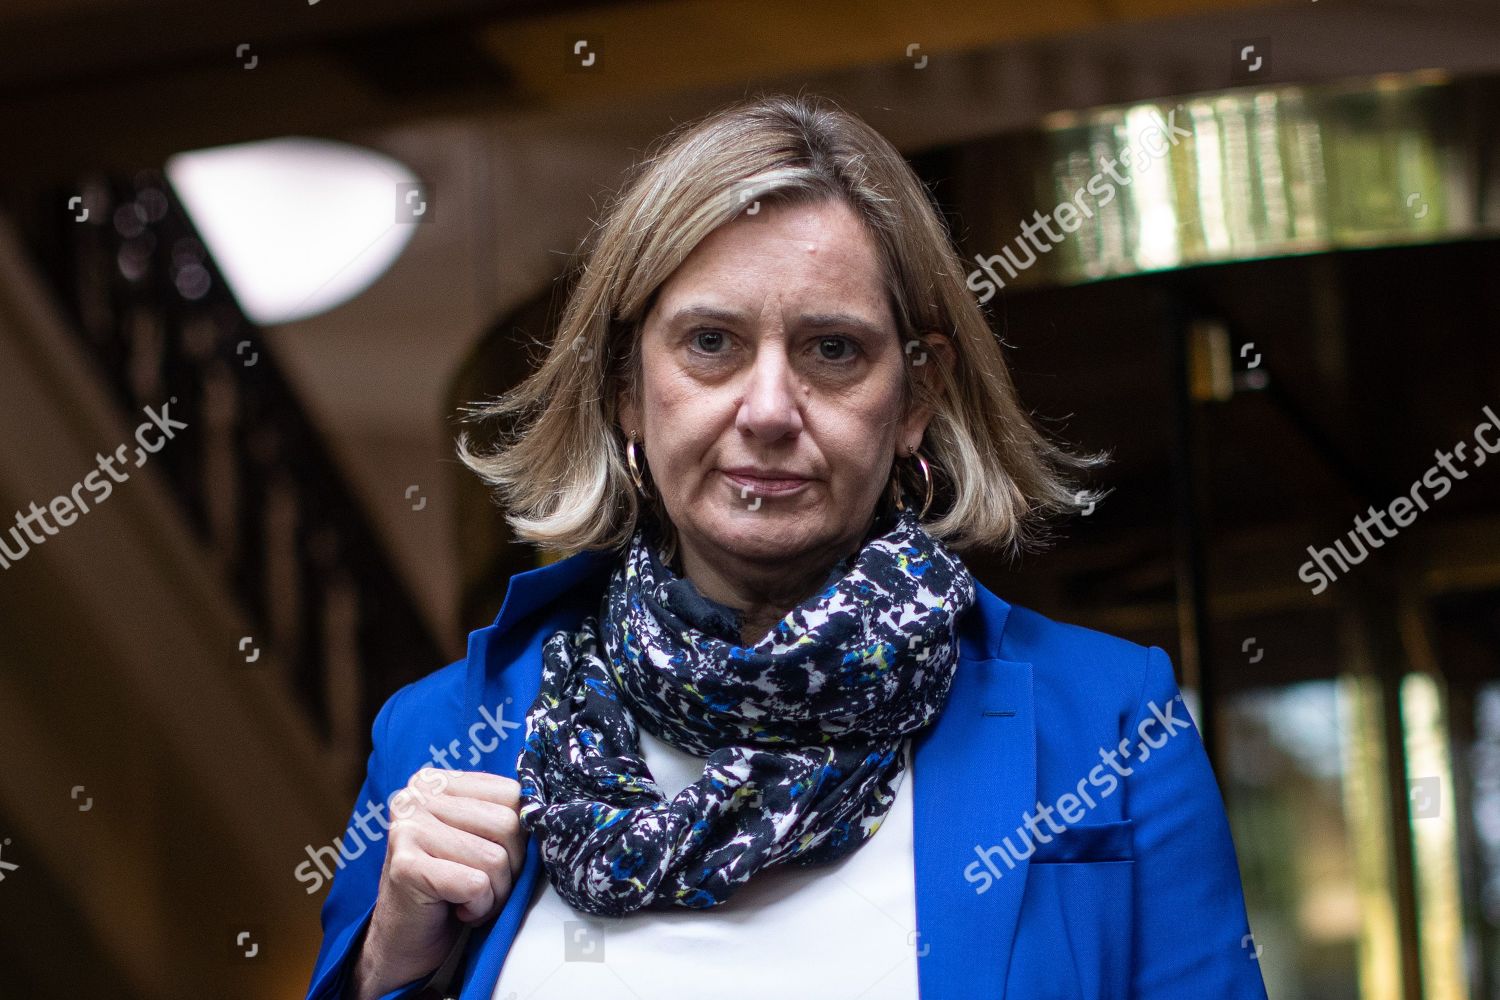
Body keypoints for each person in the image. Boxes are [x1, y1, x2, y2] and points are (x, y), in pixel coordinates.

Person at [305, 93, 1268, 1000]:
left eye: (833, 350)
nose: (768, 411)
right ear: (627, 391)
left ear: (916, 400)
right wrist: (390, 960)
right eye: (712, 343)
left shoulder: (1110, 727)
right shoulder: (440, 735)